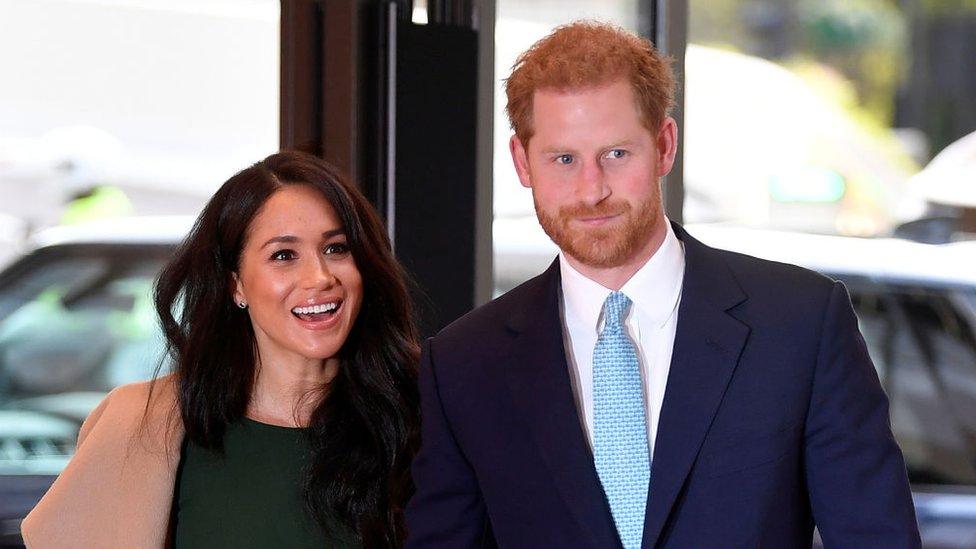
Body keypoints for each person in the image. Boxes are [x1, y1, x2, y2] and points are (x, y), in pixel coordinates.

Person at [405, 21, 921, 548]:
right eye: (564, 159)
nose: (592, 190)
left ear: (664, 145)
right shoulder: (464, 365)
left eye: (616, 154)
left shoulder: (800, 325)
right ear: (522, 162)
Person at [22, 151, 420, 548]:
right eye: (283, 255)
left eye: (337, 249)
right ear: (236, 285)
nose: (319, 277)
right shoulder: (149, 424)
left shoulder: (418, 414)